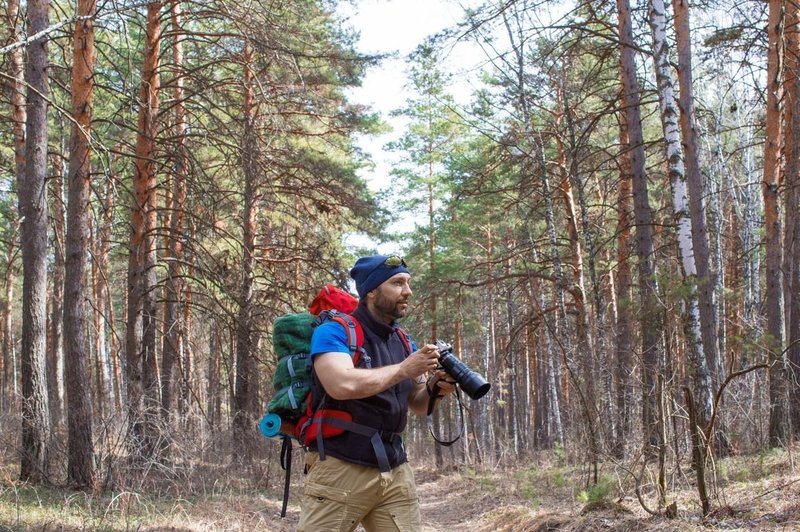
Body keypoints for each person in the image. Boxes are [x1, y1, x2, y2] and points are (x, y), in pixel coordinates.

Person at [297, 254, 456, 532]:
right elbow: (341, 385)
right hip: (340, 468)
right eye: (397, 283)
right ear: (371, 291)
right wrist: (405, 369)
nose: (407, 291)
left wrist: (436, 387)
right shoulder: (335, 332)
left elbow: (418, 404)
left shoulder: (405, 341)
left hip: (395, 472)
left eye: (407, 282)